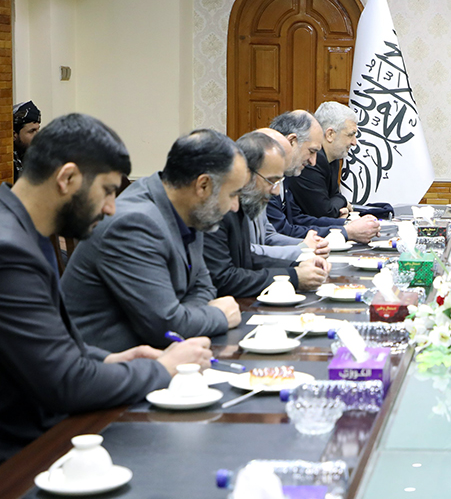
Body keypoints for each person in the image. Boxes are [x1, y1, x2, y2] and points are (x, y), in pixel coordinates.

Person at [0, 113, 212, 462]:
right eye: (107, 191)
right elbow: (67, 383)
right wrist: (164, 368)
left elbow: (47, 348)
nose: (112, 207)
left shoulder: (23, 228)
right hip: (21, 459)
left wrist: (110, 359)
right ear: (67, 178)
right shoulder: (10, 250)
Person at [61, 129, 247, 351]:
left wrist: (184, 316)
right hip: (107, 363)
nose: (235, 206)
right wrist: (218, 315)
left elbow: (203, 284)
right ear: (203, 185)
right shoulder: (134, 224)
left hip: (158, 353)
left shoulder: (191, 210)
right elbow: (166, 328)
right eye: (233, 194)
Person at [204, 132, 330, 299]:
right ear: (246, 173)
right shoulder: (216, 208)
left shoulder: (243, 202)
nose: (276, 191)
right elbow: (224, 278)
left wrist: (297, 265)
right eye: (271, 181)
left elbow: (247, 259)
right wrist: (294, 277)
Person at [266, 111, 380, 243]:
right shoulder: (264, 179)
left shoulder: (284, 176)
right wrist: (346, 232)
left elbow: (297, 219)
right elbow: (282, 232)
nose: (313, 162)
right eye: (311, 151)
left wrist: (347, 225)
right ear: (292, 141)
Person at [287, 101, 356, 219]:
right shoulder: (309, 161)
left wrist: (338, 202)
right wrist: (343, 201)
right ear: (330, 134)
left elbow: (334, 197)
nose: (354, 142)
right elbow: (325, 212)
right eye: (350, 135)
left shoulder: (332, 157)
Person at [12, 101, 42, 182]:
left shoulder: (39, 155)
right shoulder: (6, 164)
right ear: (14, 135)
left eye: (38, 129)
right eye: (32, 131)